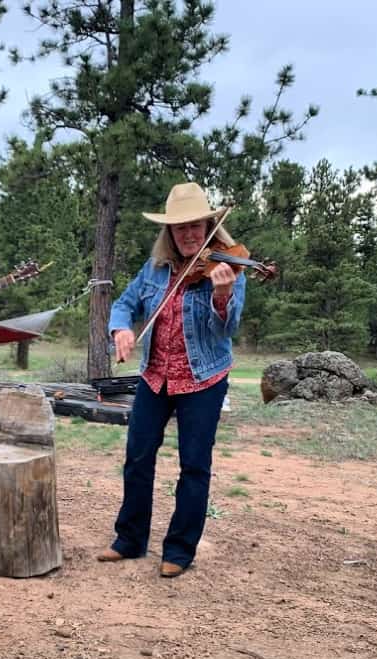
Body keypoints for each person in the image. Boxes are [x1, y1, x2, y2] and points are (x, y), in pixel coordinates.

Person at [98, 182, 247, 577]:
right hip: (156, 377)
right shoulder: (156, 268)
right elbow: (124, 303)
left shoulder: (228, 266)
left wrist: (222, 296)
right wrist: (121, 331)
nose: (188, 234)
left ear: (209, 225)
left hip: (203, 380)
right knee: (137, 457)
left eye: (195, 225)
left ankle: (179, 550)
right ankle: (130, 539)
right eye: (179, 227)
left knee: (194, 465)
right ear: (169, 232)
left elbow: (226, 329)